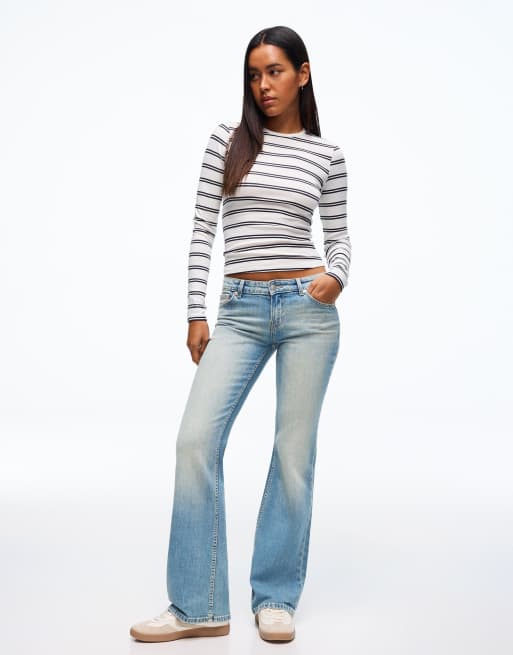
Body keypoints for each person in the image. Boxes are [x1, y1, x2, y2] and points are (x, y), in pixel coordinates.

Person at [130, 24, 351, 644]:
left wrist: (336, 276)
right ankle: (197, 605)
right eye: (254, 75)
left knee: (292, 455)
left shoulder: (327, 156)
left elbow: (338, 234)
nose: (263, 86)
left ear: (302, 74)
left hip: (308, 311)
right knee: (195, 442)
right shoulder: (227, 142)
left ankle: (275, 597)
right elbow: (202, 230)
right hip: (239, 310)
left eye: (275, 71)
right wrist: (195, 313)